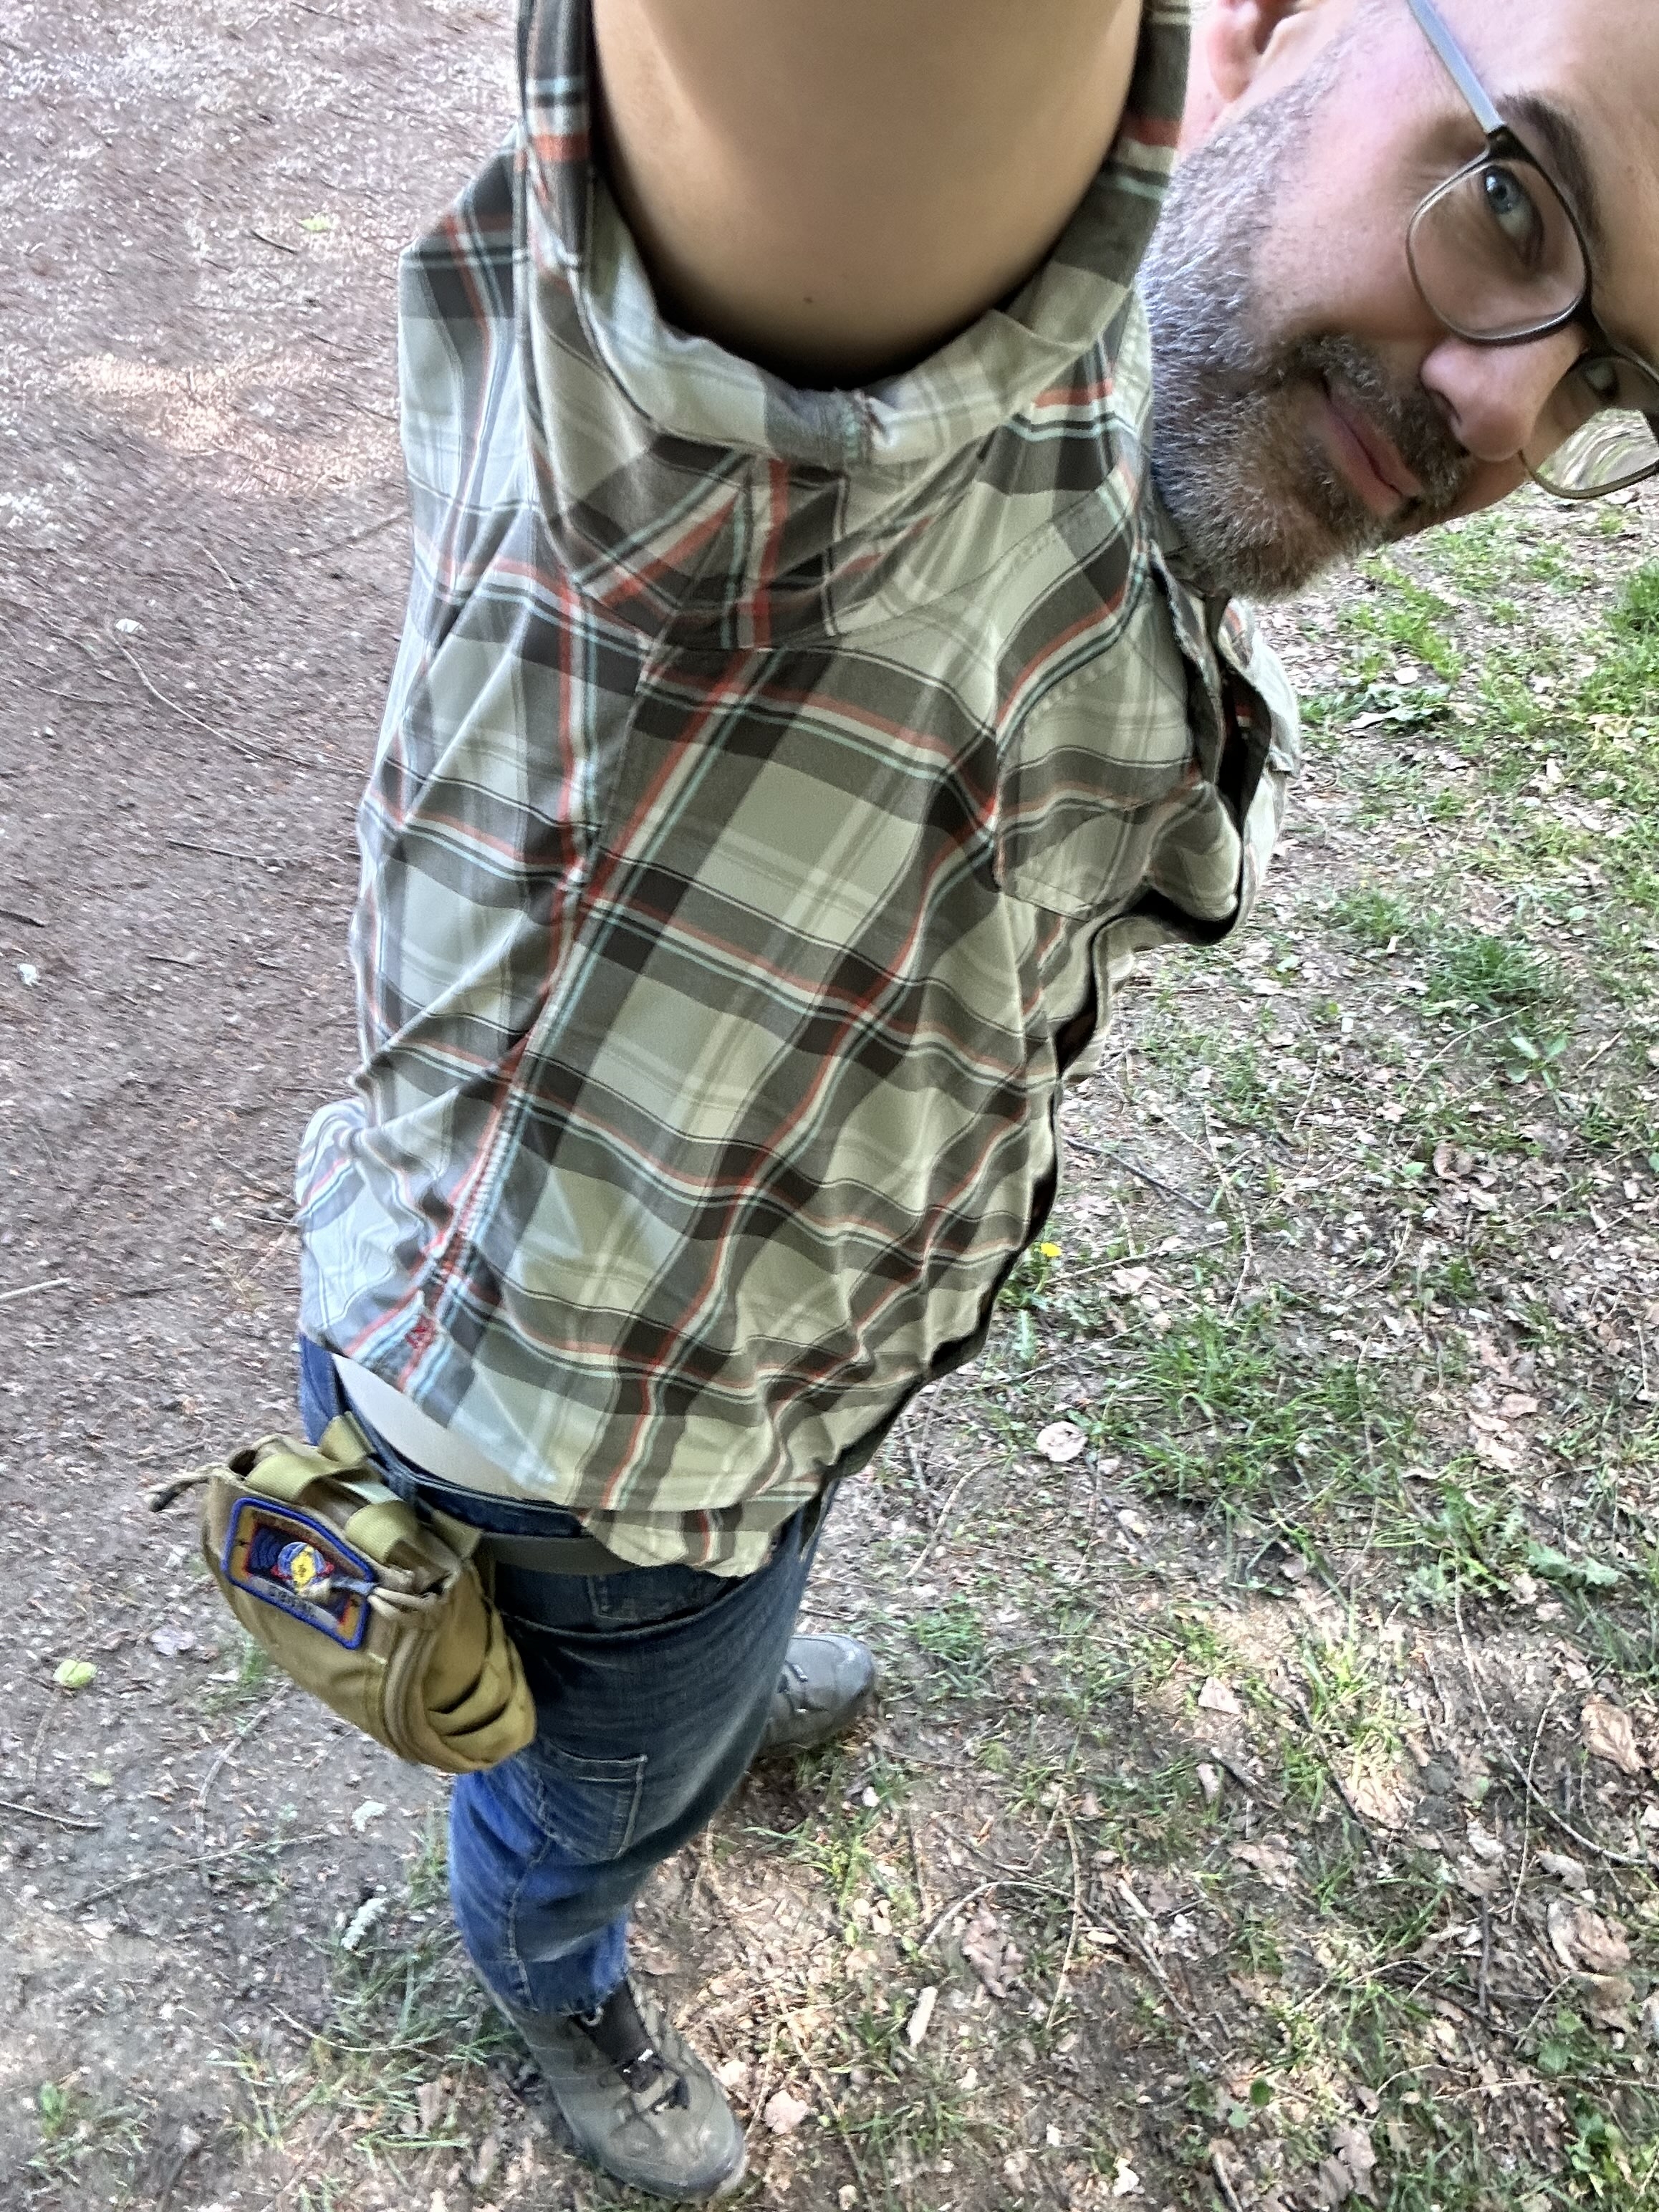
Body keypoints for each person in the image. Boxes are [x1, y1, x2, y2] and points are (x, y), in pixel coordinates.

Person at [292, 0, 1659, 2195]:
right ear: (1258, 31)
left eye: (1607, 381)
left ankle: (713, 1693)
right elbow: (852, 87)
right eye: (1510, 196)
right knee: (582, 1795)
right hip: (582, 1474)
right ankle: (558, 1966)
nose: (1507, 407)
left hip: (773, 1399)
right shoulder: (837, 447)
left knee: (712, 1648)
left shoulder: (1151, 495)